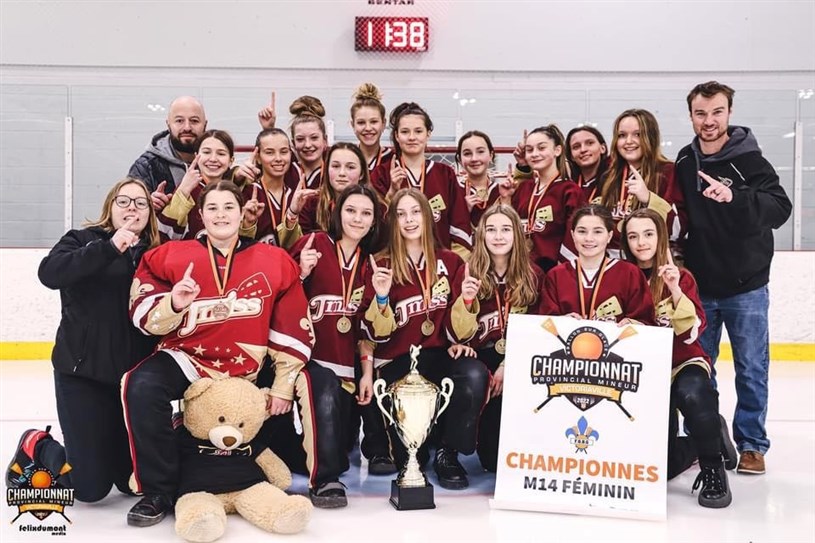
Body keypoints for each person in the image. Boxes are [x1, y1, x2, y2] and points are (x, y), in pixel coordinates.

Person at [122, 180, 313, 527]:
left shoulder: (274, 260)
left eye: (229, 207)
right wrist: (174, 303)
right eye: (212, 207)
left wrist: (284, 383)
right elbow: (145, 315)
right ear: (201, 214)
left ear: (242, 215)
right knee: (141, 384)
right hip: (187, 357)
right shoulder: (172, 255)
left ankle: (246, 480)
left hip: (245, 368)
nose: (221, 214)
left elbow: (292, 326)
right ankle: (159, 491)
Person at [675, 81, 792, 475]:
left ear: (729, 113)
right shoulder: (685, 162)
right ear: (691, 115)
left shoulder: (750, 161)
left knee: (751, 369)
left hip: (747, 287)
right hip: (701, 287)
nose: (709, 121)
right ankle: (705, 439)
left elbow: (780, 207)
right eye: (701, 113)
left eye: (717, 112)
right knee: (697, 372)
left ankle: (752, 444)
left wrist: (735, 197)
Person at [37, 178, 160, 503]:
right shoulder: (83, 240)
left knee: (128, 481)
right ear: (110, 207)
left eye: (140, 203)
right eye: (124, 201)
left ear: (150, 213)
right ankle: (38, 445)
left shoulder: (154, 254)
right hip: (81, 375)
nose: (132, 208)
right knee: (89, 489)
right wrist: (109, 248)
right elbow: (49, 273)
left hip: (128, 382)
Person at [360, 188, 489, 490]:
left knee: (473, 373)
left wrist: (467, 302)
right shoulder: (382, 264)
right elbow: (375, 333)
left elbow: (460, 333)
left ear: (428, 216)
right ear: (392, 221)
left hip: (438, 356)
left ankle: (449, 452)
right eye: (401, 214)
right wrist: (381, 298)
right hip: (397, 363)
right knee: (409, 454)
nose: (408, 220)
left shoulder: (452, 262)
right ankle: (412, 450)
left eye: (415, 212)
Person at [622, 208, 736, 508]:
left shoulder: (681, 277)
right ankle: (706, 437)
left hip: (680, 363)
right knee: (666, 467)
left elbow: (692, 332)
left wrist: (673, 289)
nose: (641, 242)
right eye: (633, 236)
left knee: (693, 394)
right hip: (640, 374)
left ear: (660, 237)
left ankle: (713, 469)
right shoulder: (619, 278)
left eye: (648, 234)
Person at [286, 184, 384, 506]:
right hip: (304, 360)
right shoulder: (312, 244)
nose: (357, 218)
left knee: (340, 452)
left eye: (365, 213)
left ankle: (321, 462)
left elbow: (365, 331)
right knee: (323, 393)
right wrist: (300, 273)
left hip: (346, 371)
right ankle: (325, 482)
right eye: (351, 210)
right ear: (337, 213)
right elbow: (280, 293)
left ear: (373, 221)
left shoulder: (369, 266)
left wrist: (366, 373)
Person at [455, 204, 544, 472]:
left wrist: (509, 364)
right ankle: (449, 449)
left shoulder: (534, 276)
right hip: (478, 355)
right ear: (481, 235)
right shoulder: (469, 271)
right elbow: (459, 333)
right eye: (491, 230)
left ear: (517, 234)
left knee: (493, 461)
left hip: (515, 357)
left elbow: (539, 330)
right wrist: (467, 300)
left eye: (505, 229)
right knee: (471, 377)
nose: (498, 236)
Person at [370, 102, 472, 257]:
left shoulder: (445, 174)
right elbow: (374, 228)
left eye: (418, 131)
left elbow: (460, 225)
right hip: (397, 265)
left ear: (428, 134)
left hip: (438, 265)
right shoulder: (381, 174)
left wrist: (451, 266)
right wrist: (391, 195)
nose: (412, 137)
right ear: (397, 136)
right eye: (405, 132)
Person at [540, 204, 655, 325]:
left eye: (597, 232)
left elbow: (646, 322)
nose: (589, 238)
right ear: (573, 235)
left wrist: (634, 324)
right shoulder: (556, 276)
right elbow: (544, 326)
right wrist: (560, 322)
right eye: (582, 231)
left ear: (609, 236)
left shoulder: (630, 274)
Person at [597, 109, 685, 258]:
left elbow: (678, 229)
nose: (629, 141)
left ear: (650, 137)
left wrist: (649, 199)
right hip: (612, 263)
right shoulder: (609, 176)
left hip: (650, 262)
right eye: (622, 135)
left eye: (637, 134)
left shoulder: (667, 172)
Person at [503, 125, 583, 270]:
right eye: (529, 150)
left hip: (553, 270)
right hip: (521, 270)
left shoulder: (570, 191)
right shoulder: (523, 188)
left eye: (541, 148)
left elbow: (575, 234)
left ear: (557, 150)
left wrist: (563, 270)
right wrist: (506, 198)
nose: (534, 154)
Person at [159, 129, 240, 241]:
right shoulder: (187, 189)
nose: (213, 159)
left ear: (231, 160)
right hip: (190, 257)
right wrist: (183, 192)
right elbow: (164, 237)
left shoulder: (237, 190)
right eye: (206, 152)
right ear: (196, 156)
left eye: (221, 153)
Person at [128, 96, 207, 211]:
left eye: (194, 121)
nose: (187, 127)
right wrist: (146, 205)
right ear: (168, 124)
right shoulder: (147, 167)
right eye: (179, 121)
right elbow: (127, 211)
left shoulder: (215, 163)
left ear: (205, 124)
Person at [238, 128, 314, 247]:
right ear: (258, 157)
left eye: (284, 152)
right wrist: (248, 224)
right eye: (270, 152)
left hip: (288, 264)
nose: (278, 158)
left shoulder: (297, 198)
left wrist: (292, 217)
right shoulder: (247, 193)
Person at [456, 130, 502, 227]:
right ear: (460, 159)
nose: (474, 159)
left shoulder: (501, 191)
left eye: (480, 152)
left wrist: (507, 199)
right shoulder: (453, 192)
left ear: (491, 155)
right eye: (467, 153)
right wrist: (462, 211)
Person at [350, 83, 393, 171]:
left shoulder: (393, 158)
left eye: (374, 122)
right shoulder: (346, 157)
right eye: (361, 122)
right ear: (353, 125)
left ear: (383, 123)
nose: (368, 128)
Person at [565, 125, 609, 202]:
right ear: (571, 156)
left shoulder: (614, 181)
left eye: (590, 143)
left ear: (603, 148)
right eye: (576, 147)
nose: (583, 150)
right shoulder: (568, 185)